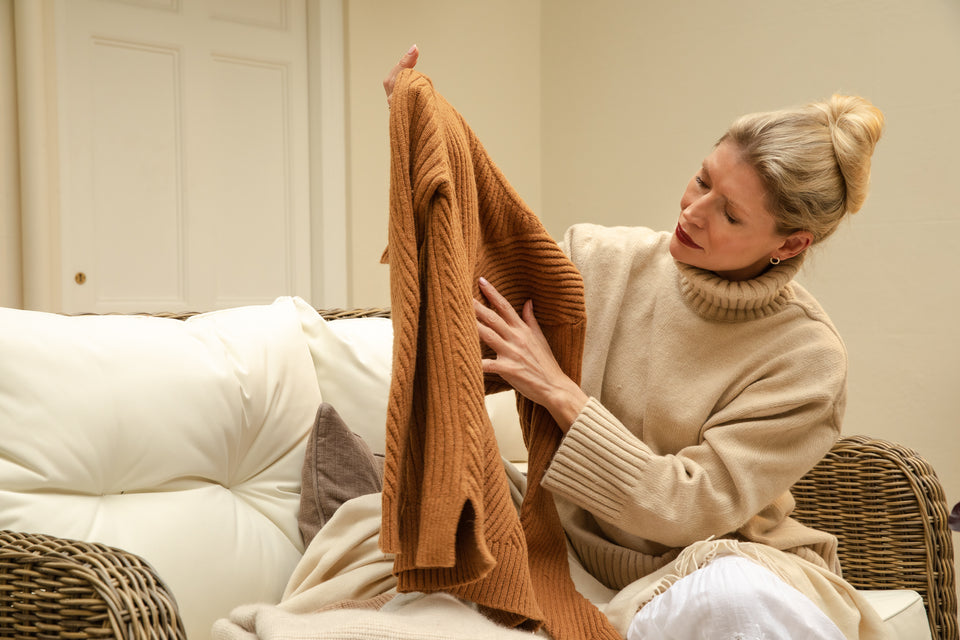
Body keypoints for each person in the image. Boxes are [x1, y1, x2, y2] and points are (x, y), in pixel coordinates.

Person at [384, 46, 886, 639]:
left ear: (790, 244)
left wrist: (559, 394)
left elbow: (687, 507)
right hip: (567, 546)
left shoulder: (808, 360)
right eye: (701, 179)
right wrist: (417, 139)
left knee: (736, 600)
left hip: (712, 561)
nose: (693, 211)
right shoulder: (597, 260)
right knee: (402, 536)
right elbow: (454, 309)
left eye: (729, 214)